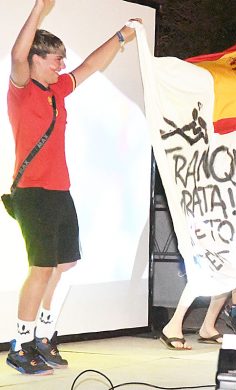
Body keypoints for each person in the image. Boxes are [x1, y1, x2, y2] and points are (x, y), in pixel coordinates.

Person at [6, 0, 139, 375]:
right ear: (36, 59)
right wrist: (39, 10)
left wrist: (121, 37)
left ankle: (44, 337)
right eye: (55, 59)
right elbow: (18, 53)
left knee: (64, 263)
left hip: (60, 190)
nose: (62, 65)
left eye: (63, 59)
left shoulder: (57, 90)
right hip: (32, 192)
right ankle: (21, 345)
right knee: (41, 269)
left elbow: (92, 65)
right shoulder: (21, 88)